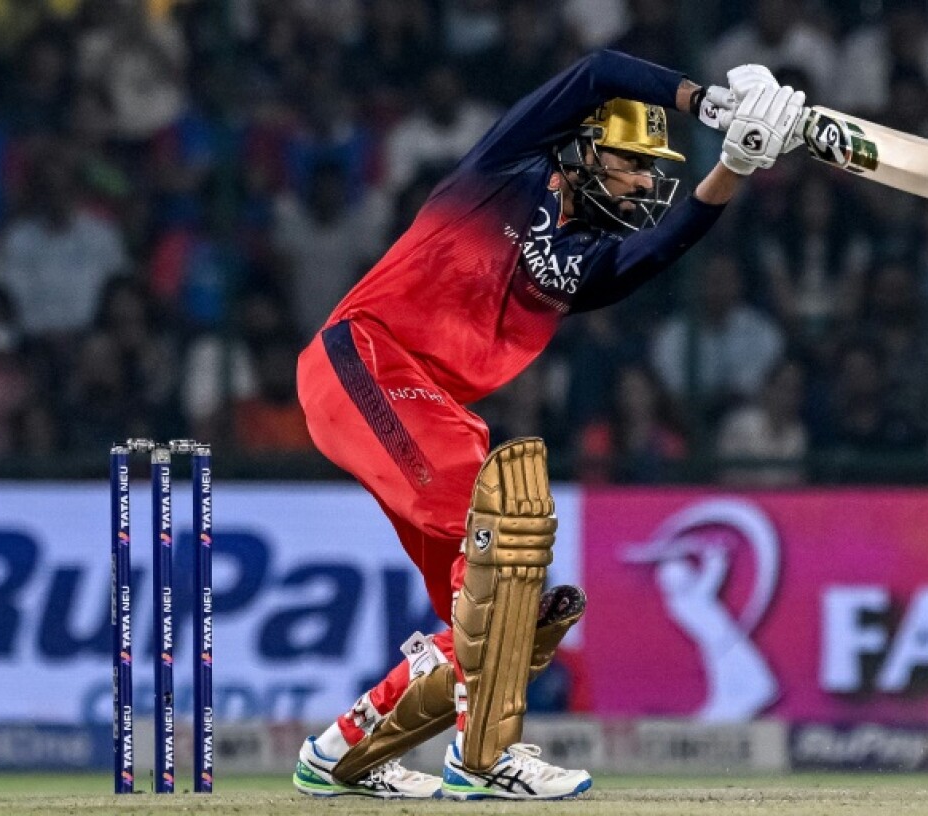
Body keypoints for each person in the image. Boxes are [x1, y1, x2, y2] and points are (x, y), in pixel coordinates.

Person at [293, 50, 805, 800]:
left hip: (433, 406)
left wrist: (734, 166)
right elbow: (596, 71)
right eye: (631, 163)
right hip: (363, 359)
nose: (642, 184)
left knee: (511, 620)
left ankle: (340, 754)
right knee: (501, 534)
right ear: (583, 150)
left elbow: (662, 249)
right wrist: (707, 104)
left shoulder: (585, 264)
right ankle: (480, 758)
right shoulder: (505, 167)